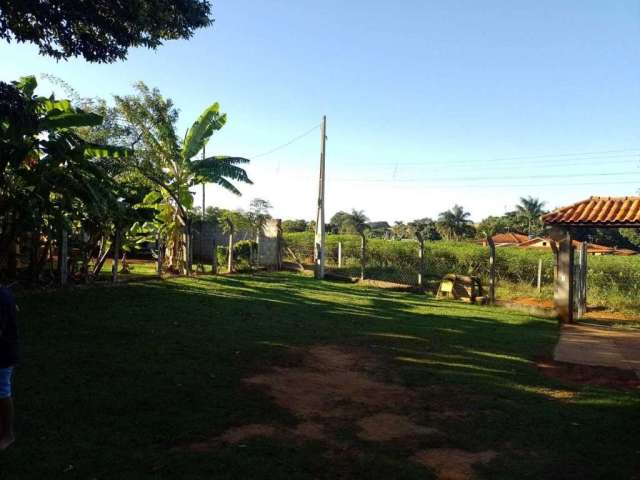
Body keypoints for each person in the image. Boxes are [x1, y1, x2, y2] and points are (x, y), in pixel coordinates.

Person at [0, 285, 18, 450]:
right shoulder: (5, 294)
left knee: (2, 392)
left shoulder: (2, 298)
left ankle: (8, 434)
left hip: (3, 356)